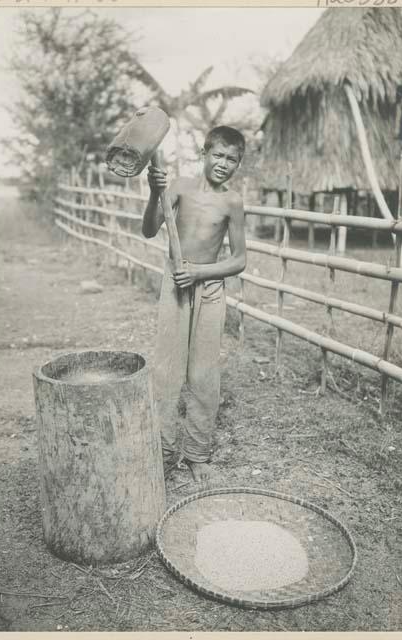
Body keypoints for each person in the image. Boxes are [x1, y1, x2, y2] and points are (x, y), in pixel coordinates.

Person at [142, 126, 247, 483]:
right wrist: (155, 194)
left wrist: (200, 272)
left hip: (210, 289)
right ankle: (164, 451)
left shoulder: (232, 202)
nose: (223, 163)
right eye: (218, 155)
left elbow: (239, 260)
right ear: (205, 153)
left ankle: (197, 455)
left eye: (231, 159)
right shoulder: (180, 188)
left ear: (238, 164)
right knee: (167, 370)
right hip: (175, 287)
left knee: (203, 374)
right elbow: (148, 229)